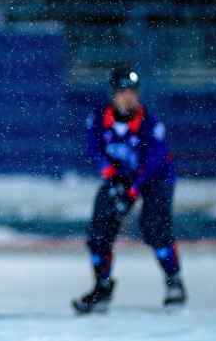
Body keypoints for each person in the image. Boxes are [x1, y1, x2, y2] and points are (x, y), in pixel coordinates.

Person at [73, 67, 187, 315]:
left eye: (133, 92)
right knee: (99, 232)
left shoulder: (150, 123)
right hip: (122, 176)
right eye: (123, 92)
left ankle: (174, 282)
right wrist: (112, 179)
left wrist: (132, 192)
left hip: (156, 179)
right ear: (114, 94)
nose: (129, 97)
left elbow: (154, 164)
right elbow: (95, 150)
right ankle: (102, 287)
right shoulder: (100, 119)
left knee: (155, 227)